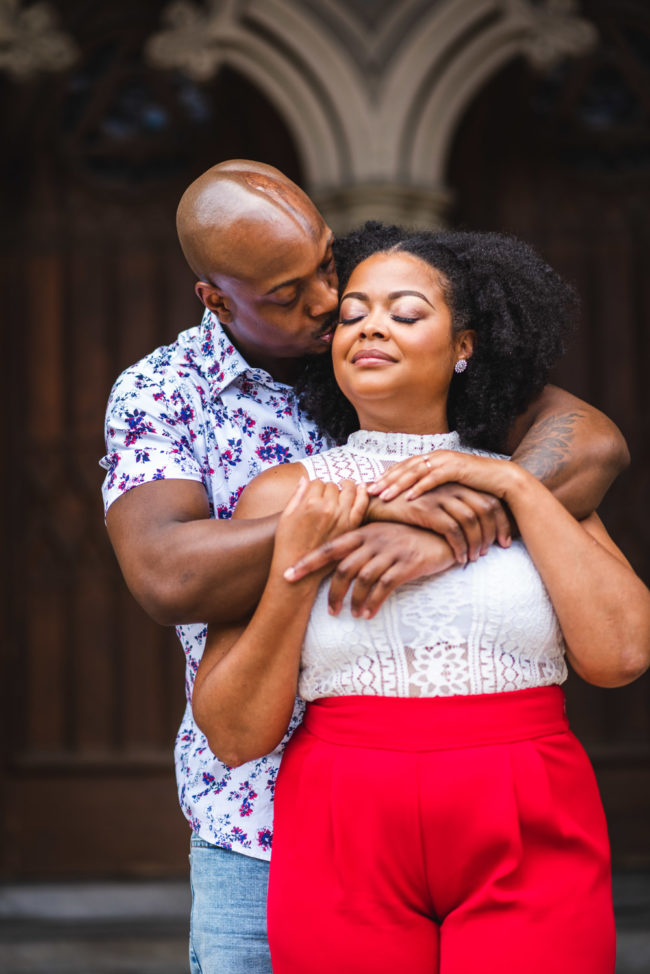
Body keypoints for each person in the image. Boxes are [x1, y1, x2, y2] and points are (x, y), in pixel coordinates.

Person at [101, 161, 629, 974]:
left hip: (506, 799)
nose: (327, 305)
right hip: (262, 820)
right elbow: (171, 576)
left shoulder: (412, 357)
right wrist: (364, 514)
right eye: (292, 295)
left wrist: (474, 509)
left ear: (461, 346)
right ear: (215, 299)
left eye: (326, 268)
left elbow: (588, 437)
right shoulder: (165, 394)